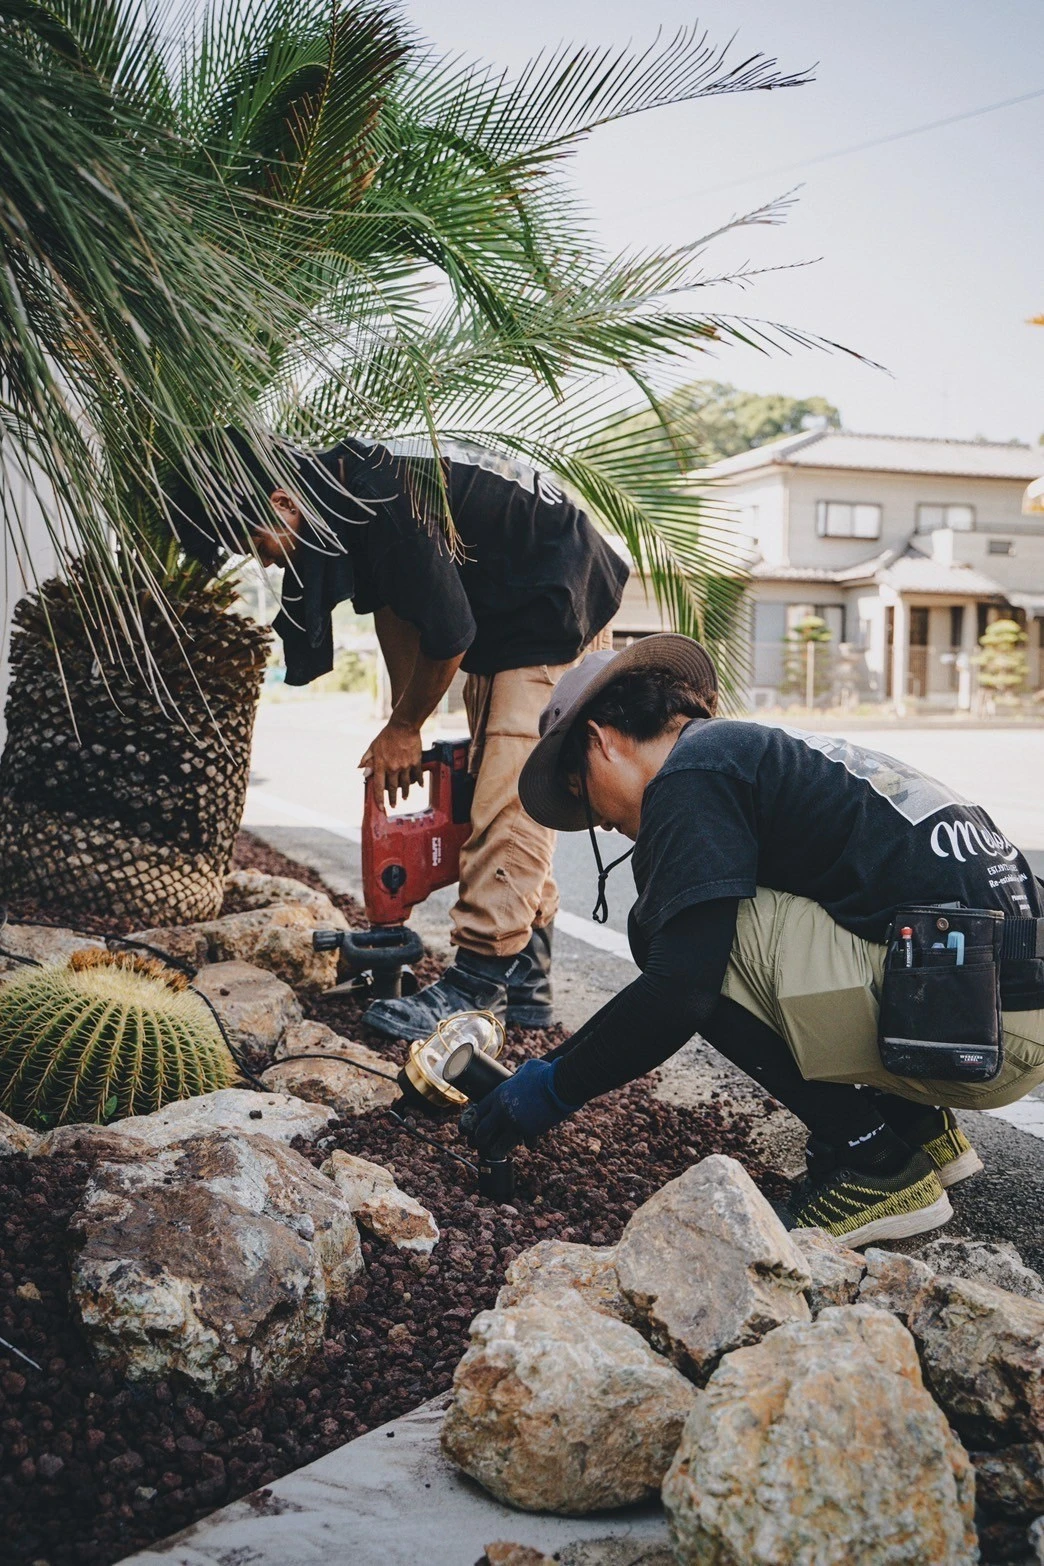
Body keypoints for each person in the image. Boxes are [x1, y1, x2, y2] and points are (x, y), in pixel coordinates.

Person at [463, 633, 1044, 1245]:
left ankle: (876, 1164)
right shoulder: (754, 752)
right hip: (1001, 1006)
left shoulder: (690, 774)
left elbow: (679, 988)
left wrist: (550, 1089)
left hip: (976, 1022)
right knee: (722, 912)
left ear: (600, 739)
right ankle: (916, 1127)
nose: (602, 822)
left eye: (585, 798)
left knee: (673, 931)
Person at [168, 433, 628, 1036]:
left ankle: (476, 985)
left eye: (257, 543)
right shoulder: (343, 491)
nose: (267, 562)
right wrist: (400, 724)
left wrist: (407, 727)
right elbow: (401, 609)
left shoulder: (378, 502)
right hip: (516, 606)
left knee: (510, 795)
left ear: (282, 503)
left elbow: (448, 630)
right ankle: (529, 980)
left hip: (555, 598)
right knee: (494, 783)